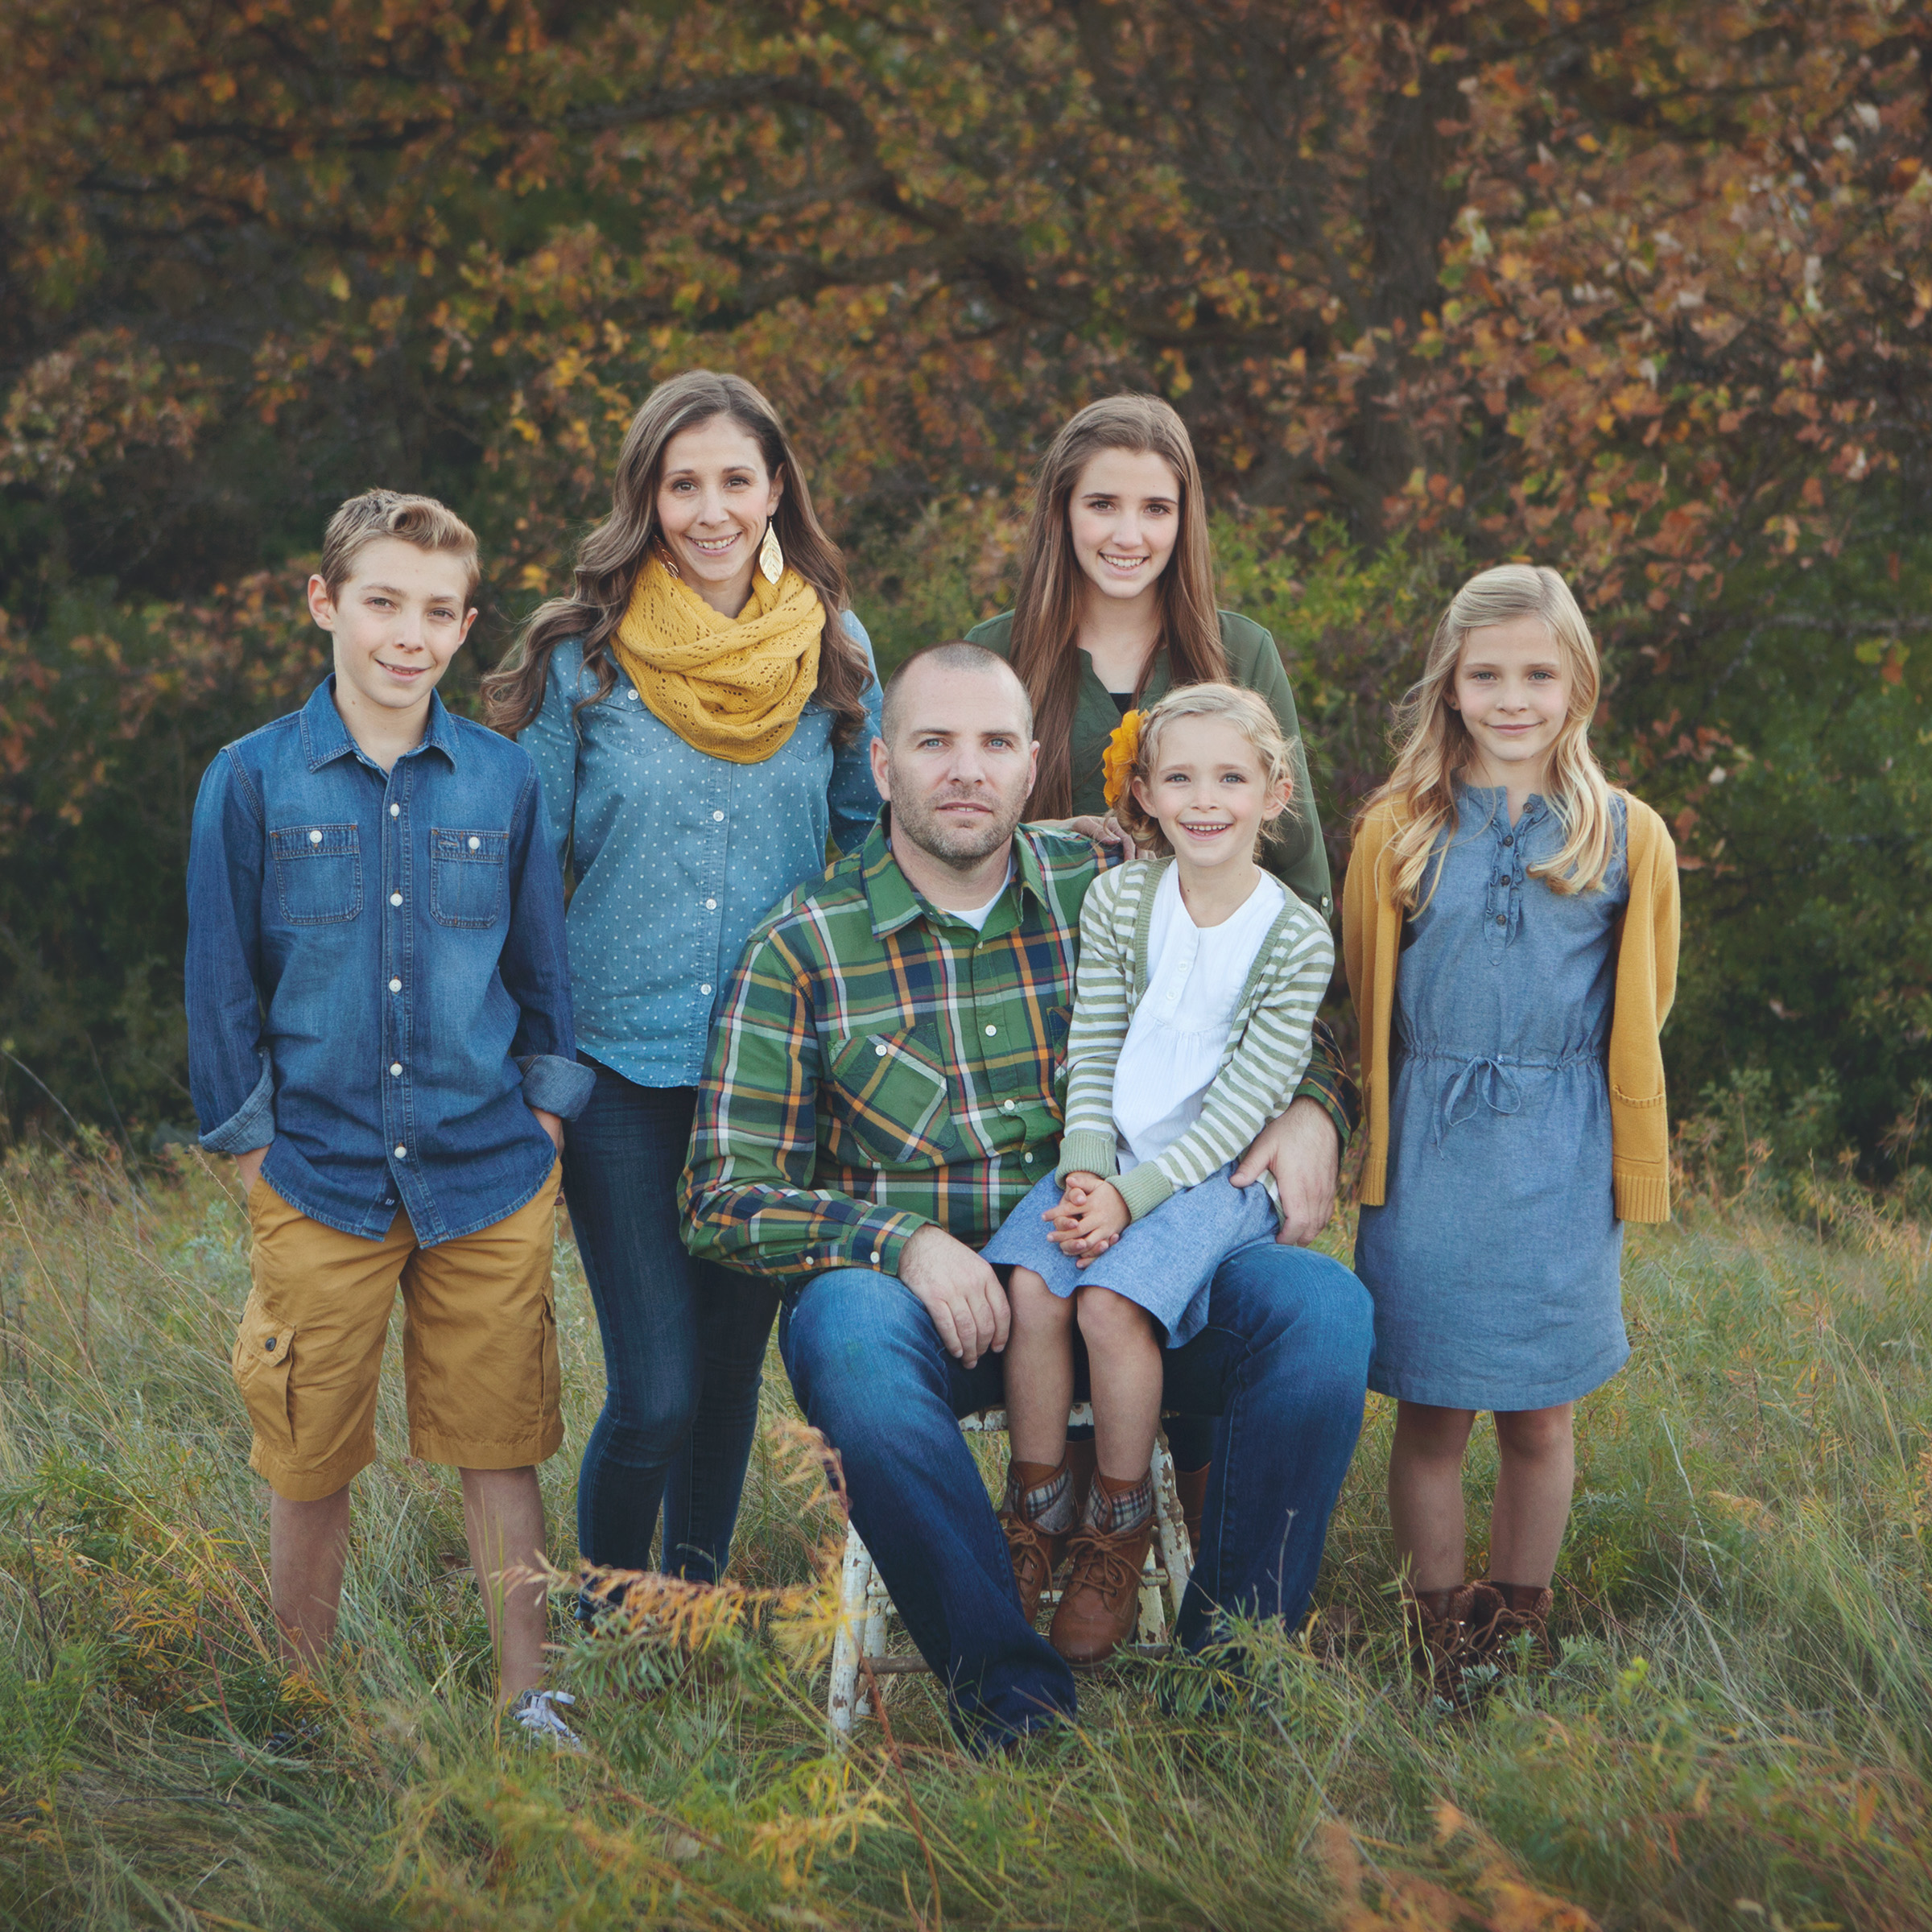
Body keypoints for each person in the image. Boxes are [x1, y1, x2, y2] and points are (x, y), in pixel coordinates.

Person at [681, 642, 1372, 1748]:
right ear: (882, 768)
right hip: (926, 1314)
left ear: (1031, 761)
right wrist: (902, 1241)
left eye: (995, 744)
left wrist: (1315, 1111)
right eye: (935, 743)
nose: (967, 770)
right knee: (845, 1332)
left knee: (1322, 1311)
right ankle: (1014, 1698)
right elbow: (721, 1193)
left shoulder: (1112, 893)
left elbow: (1270, 1005)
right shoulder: (800, 949)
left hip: (1130, 1280)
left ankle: (1232, 1681)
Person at [186, 490, 594, 1748]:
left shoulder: (502, 778)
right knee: (309, 1448)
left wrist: (548, 1125)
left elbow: (542, 976)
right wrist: (255, 1151)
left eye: (434, 611)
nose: (405, 635)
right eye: (381, 603)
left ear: (466, 626)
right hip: (315, 1171)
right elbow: (219, 985)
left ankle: (526, 1697)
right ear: (326, 604)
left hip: (486, 1169)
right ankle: (299, 1706)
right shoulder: (250, 780)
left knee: (500, 1438)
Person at [484, 372, 881, 1594]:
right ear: (648, 496)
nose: (711, 509)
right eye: (684, 482)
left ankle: (690, 1618)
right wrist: (526, 1063)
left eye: (736, 481)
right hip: (616, 1068)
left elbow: (869, 850)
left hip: (771, 1081)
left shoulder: (837, 649)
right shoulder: (580, 656)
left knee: (722, 1387)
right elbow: (521, 870)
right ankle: (609, 1611)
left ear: (775, 493)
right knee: (653, 1392)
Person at [968, 390, 1351, 1532]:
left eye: (1155, 506)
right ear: (1059, 512)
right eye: (1101, 504)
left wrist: (1320, 1106)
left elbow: (1308, 905)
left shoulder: (1239, 657)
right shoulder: (999, 659)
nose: (1127, 532)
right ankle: (1046, 1518)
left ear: (1188, 519)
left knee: (1229, 1303)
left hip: (1211, 1104)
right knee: (1052, 1287)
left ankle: (1187, 1580)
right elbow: (947, 853)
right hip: (1038, 1072)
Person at [1342, 564, 1679, 1696]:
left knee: (1540, 1416)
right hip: (1431, 1152)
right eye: (1486, 674)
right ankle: (1442, 1634)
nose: (1513, 697)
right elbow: (1366, 988)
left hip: (1561, 1154)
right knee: (1432, 1412)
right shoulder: (1397, 829)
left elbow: (1647, 1001)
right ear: (1451, 684)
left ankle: (1518, 1623)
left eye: (1538, 673)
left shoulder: (1626, 835)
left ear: (1577, 682)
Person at [983, 684, 1335, 1665]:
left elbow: (1240, 1106)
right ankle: (1038, 1506)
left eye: (1231, 777)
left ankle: (1118, 1524)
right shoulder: (1123, 898)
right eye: (1179, 777)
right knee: (1037, 1286)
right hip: (1109, 1153)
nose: (1205, 798)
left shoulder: (1295, 935)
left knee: (1108, 1306)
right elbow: (1090, 1047)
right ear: (1143, 790)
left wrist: (1134, 1200)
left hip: (1214, 1179)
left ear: (1275, 793)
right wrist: (1092, 1171)